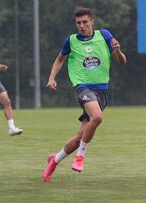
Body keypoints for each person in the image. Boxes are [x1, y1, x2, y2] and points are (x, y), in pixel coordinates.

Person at [42, 8, 126, 182]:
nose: (81, 26)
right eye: (78, 23)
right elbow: (59, 59)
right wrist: (52, 78)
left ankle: (54, 160)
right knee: (97, 117)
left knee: (81, 136)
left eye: (85, 22)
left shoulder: (104, 35)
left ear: (92, 22)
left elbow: (122, 61)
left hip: (102, 91)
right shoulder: (71, 41)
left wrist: (117, 51)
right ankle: (80, 157)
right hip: (83, 88)